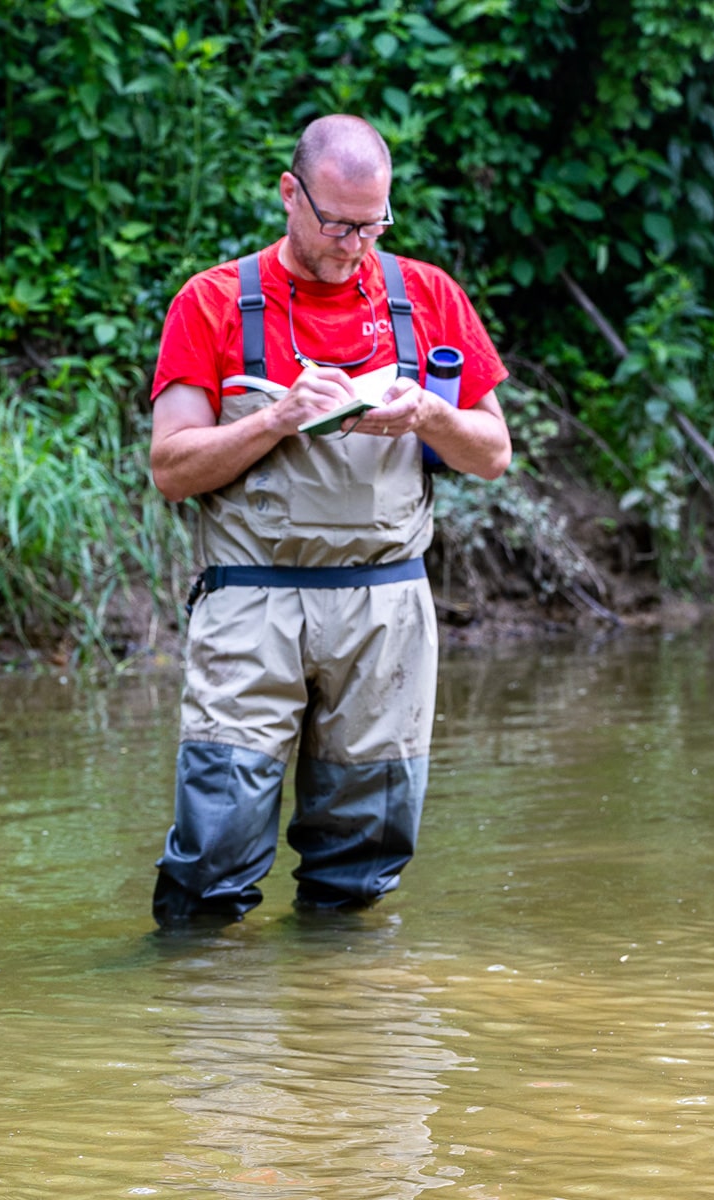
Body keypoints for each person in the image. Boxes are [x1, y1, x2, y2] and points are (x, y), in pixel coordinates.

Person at [147, 114, 512, 927]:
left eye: (373, 223)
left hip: (387, 610)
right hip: (252, 604)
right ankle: (199, 1027)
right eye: (338, 222)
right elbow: (171, 470)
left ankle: (340, 1034)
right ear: (290, 194)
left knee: (361, 864)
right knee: (214, 854)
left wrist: (428, 414)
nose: (356, 243)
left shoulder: (427, 297)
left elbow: (493, 453)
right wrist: (273, 419)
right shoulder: (211, 303)